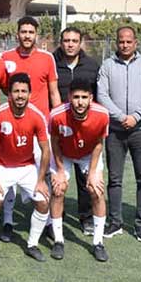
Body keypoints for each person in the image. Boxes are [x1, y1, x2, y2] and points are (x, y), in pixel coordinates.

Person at [0, 16, 60, 241]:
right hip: (13, 128)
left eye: (30, 32)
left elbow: (54, 92)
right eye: (23, 31)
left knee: (47, 174)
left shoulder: (47, 58)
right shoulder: (6, 58)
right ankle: (7, 221)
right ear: (17, 34)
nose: (27, 35)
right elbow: (3, 89)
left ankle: (50, 222)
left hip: (40, 128)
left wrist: (57, 122)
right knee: (10, 170)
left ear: (36, 34)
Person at [96, 26, 141, 242]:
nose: (125, 45)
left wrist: (136, 116)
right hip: (115, 130)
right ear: (117, 43)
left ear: (135, 43)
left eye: (129, 41)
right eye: (121, 41)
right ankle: (115, 222)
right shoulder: (107, 65)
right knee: (114, 178)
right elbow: (102, 95)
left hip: (140, 130)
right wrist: (121, 116)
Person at [0, 73, 51, 262]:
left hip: (27, 167)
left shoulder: (37, 115)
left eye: (24, 91)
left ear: (30, 94)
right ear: (9, 94)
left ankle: (32, 244)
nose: (20, 95)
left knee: (43, 201)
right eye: (16, 91)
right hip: (2, 167)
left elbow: (46, 150)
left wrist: (41, 180)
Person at [49, 78, 110, 262]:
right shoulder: (57, 114)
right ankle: (58, 240)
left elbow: (99, 143)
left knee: (96, 190)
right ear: (69, 97)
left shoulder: (102, 115)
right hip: (64, 154)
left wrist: (92, 172)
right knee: (58, 190)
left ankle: (98, 242)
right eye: (76, 97)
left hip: (88, 154)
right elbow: (54, 143)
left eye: (84, 97)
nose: (80, 102)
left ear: (91, 98)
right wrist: (60, 170)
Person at [52, 26, 100, 235]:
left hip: (85, 128)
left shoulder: (92, 65)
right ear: (60, 42)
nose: (70, 44)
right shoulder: (52, 62)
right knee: (58, 178)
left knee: (85, 177)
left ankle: (86, 217)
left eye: (74, 41)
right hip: (60, 127)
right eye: (66, 40)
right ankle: (56, 219)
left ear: (81, 43)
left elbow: (96, 96)